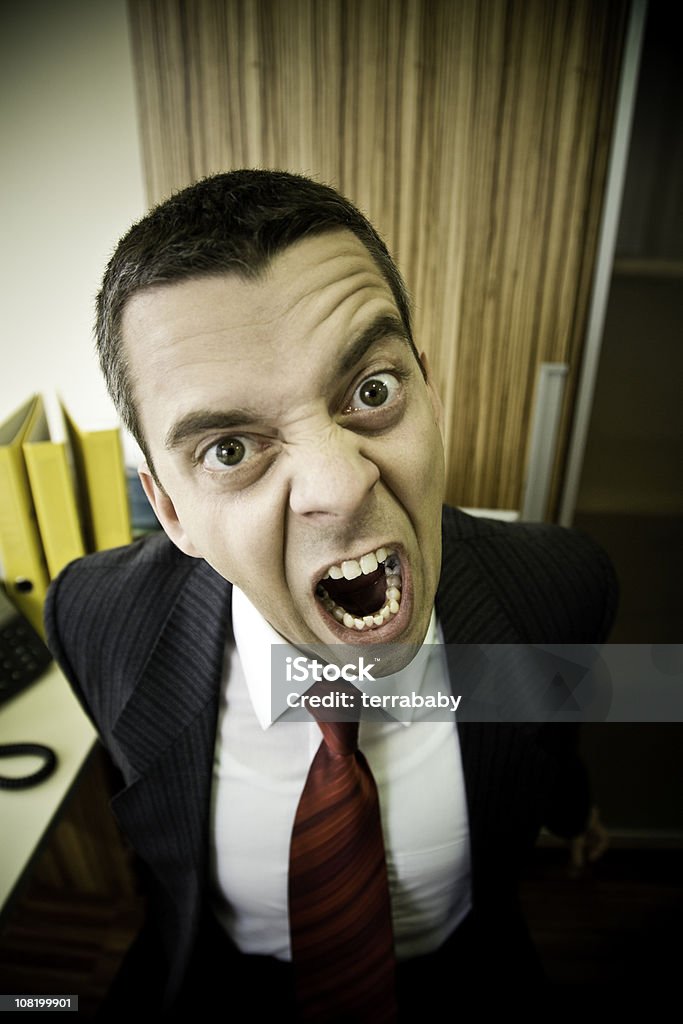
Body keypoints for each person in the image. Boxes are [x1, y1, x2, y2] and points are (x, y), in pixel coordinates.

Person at [45, 169, 616, 1019]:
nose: (339, 489)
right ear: (170, 509)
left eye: (372, 392)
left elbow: (556, 733)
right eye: (230, 449)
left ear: (429, 389)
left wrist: (574, 813)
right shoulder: (92, 619)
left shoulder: (562, 587)